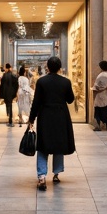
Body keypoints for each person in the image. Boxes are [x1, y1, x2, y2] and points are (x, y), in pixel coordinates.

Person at [27, 55, 75, 190]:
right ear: (60, 68)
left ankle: (42, 176)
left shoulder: (42, 82)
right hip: (61, 116)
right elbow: (70, 99)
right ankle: (56, 173)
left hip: (45, 116)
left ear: (47, 67)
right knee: (59, 143)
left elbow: (36, 102)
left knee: (43, 145)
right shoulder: (66, 82)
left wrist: (31, 118)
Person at [92, 59, 107, 131]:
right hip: (106, 94)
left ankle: (98, 125)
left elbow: (96, 86)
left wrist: (93, 90)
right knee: (106, 110)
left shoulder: (100, 76)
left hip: (99, 95)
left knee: (98, 110)